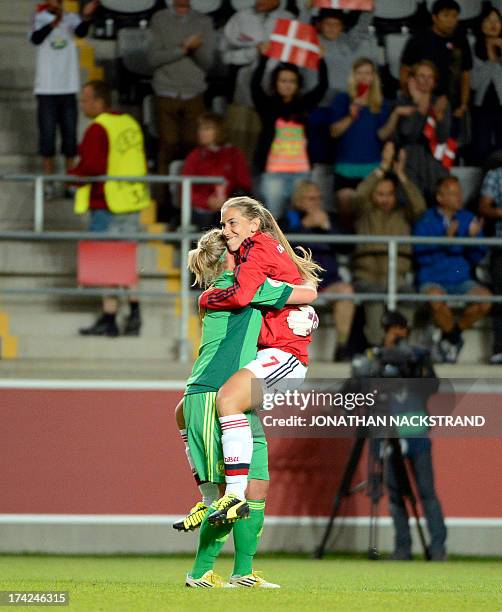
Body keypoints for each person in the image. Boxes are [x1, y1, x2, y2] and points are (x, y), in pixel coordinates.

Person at [177, 228, 316, 588]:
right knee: (229, 496)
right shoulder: (243, 289)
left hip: (232, 400)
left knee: (256, 486)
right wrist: (307, 317)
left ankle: (243, 572)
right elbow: (306, 292)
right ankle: (200, 572)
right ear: (230, 257)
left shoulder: (220, 292)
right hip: (214, 396)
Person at [69, 80, 150, 337]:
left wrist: (71, 174)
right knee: (126, 259)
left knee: (107, 262)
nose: (82, 104)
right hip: (132, 199)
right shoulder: (130, 124)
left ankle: (110, 317)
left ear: (98, 102)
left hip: (107, 202)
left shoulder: (98, 128)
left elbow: (92, 166)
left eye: (85, 99)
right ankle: (134, 313)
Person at [379, 311, 447, 561]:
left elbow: (433, 385)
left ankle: (438, 549)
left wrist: (414, 365)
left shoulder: (417, 356)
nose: (396, 333)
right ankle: (402, 549)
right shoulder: (378, 357)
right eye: (391, 328)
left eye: (400, 328)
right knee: (396, 495)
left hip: (415, 429)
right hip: (387, 430)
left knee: (426, 492)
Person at [350, 142, 426, 346]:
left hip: (398, 278)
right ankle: (378, 349)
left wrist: (401, 175)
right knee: (374, 303)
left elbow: (420, 207)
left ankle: (401, 347)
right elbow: (358, 196)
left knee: (409, 297)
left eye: (389, 194)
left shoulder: (403, 212)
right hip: (369, 276)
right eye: (380, 194)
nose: (385, 199)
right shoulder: (364, 211)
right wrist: (383, 167)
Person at [148, 0, 215, 219]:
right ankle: (164, 207)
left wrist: (194, 50)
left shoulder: (203, 22)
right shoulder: (160, 19)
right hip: (165, 92)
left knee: (193, 150)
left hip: (194, 93)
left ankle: (192, 207)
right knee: (167, 149)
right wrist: (184, 48)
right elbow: (153, 58)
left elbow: (208, 63)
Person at [414, 176, 491, 363]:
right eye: (453, 193)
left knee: (486, 300)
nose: (459, 197)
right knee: (435, 298)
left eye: (459, 192)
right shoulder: (425, 220)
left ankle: (451, 336)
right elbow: (420, 255)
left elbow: (475, 257)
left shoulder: (468, 219)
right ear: (440, 197)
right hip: (432, 276)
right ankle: (453, 339)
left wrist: (472, 241)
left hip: (459, 276)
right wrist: (445, 240)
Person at [29, 0, 99, 198]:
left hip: (68, 87)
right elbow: (36, 38)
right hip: (46, 88)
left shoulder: (71, 18)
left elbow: (82, 32)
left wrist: (86, 17)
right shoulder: (38, 17)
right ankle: (49, 183)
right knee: (47, 139)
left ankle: (70, 183)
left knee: (70, 140)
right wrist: (52, 22)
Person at [329, 58, 409, 225]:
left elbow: (382, 135)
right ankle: (347, 247)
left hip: (372, 168)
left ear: (374, 77)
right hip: (346, 167)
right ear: (353, 76)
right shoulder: (342, 99)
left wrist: (395, 115)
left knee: (371, 210)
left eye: (368, 73)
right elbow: (334, 132)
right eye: (360, 73)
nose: (364, 77)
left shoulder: (380, 103)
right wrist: (351, 115)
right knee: (345, 204)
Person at [251, 47, 328, 220]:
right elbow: (255, 87)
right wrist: (263, 58)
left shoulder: (303, 105)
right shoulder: (267, 106)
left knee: (298, 219)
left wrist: (321, 61)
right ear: (275, 83)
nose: (287, 84)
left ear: (298, 85)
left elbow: (322, 87)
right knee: (274, 220)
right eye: (283, 80)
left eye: (292, 81)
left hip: (301, 174)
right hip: (273, 174)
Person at [285, 179, 355, 361]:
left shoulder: (329, 218)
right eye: (310, 199)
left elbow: (349, 246)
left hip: (328, 281)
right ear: (299, 201)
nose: (316, 203)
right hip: (299, 282)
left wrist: (329, 228)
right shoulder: (287, 220)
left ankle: (342, 347)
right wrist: (305, 226)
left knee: (346, 292)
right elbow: (281, 246)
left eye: (318, 199)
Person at [219, 0, 294, 162]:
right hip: (243, 98)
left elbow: (295, 57)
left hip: (274, 102)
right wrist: (253, 53)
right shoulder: (240, 18)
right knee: (238, 151)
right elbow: (225, 56)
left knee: (269, 152)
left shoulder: (290, 20)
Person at [400, 0, 472, 123]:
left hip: (450, 102)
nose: (451, 21)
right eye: (446, 16)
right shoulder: (419, 38)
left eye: (455, 16)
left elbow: (465, 74)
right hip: (421, 100)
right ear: (434, 18)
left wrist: (463, 104)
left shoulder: (461, 39)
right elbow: (405, 71)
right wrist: (412, 98)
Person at [393, 61, 451, 206]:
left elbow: (443, 137)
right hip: (409, 159)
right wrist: (418, 108)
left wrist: (439, 118)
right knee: (409, 204)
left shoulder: (441, 102)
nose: (426, 80)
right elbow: (407, 134)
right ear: (412, 79)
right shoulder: (402, 101)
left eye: (430, 77)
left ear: (435, 82)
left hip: (434, 162)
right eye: (422, 76)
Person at [182, 113, 252, 230]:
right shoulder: (194, 157)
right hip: (201, 209)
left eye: (207, 129)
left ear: (219, 131)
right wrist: (207, 202)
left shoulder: (234, 155)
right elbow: (185, 191)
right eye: (200, 129)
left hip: (230, 207)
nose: (202, 132)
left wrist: (227, 202)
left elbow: (244, 186)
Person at [470, 5, 502, 164]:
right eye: (488, 20)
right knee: (482, 148)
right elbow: (474, 83)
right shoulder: (473, 48)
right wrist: (490, 58)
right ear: (481, 25)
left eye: (497, 21)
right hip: (481, 106)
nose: (493, 25)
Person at [479, 164, 502, 364]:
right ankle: (500, 349)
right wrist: (500, 212)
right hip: (500, 245)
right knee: (500, 298)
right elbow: (485, 206)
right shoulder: (495, 175)